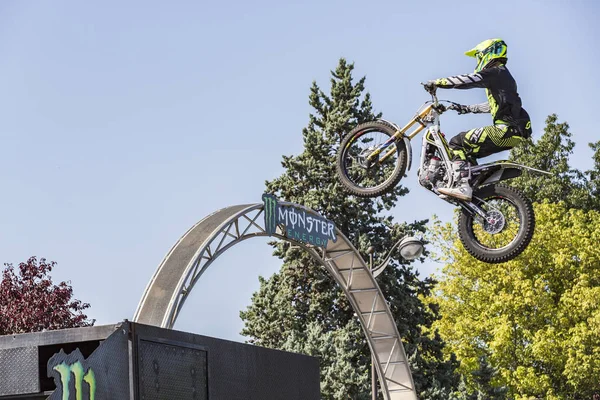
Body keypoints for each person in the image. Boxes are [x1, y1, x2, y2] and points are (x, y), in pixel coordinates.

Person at [424, 38, 532, 201]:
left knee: (457, 142)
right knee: (466, 152)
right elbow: (492, 105)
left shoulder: (497, 72)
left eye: (478, 56)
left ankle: (463, 186)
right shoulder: (503, 77)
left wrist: (438, 82)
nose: (477, 61)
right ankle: (471, 186)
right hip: (514, 134)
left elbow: (468, 80)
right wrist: (466, 108)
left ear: (488, 54)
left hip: (505, 132)